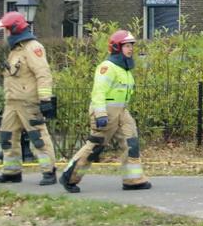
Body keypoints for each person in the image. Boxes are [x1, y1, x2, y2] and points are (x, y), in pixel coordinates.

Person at [60, 29, 151, 193]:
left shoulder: (124, 69)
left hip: (122, 111)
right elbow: (98, 92)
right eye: (127, 46)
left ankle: (133, 179)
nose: (131, 49)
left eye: (131, 45)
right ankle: (69, 177)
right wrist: (100, 114)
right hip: (106, 112)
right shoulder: (107, 67)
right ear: (117, 47)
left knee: (131, 143)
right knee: (95, 146)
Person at [0, 11, 58, 185]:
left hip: (28, 102)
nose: (5, 34)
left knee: (38, 138)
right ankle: (11, 172)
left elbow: (43, 74)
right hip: (12, 101)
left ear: (14, 29)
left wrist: (45, 99)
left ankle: (49, 171)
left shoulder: (32, 48)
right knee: (7, 136)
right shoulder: (16, 50)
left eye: (6, 30)